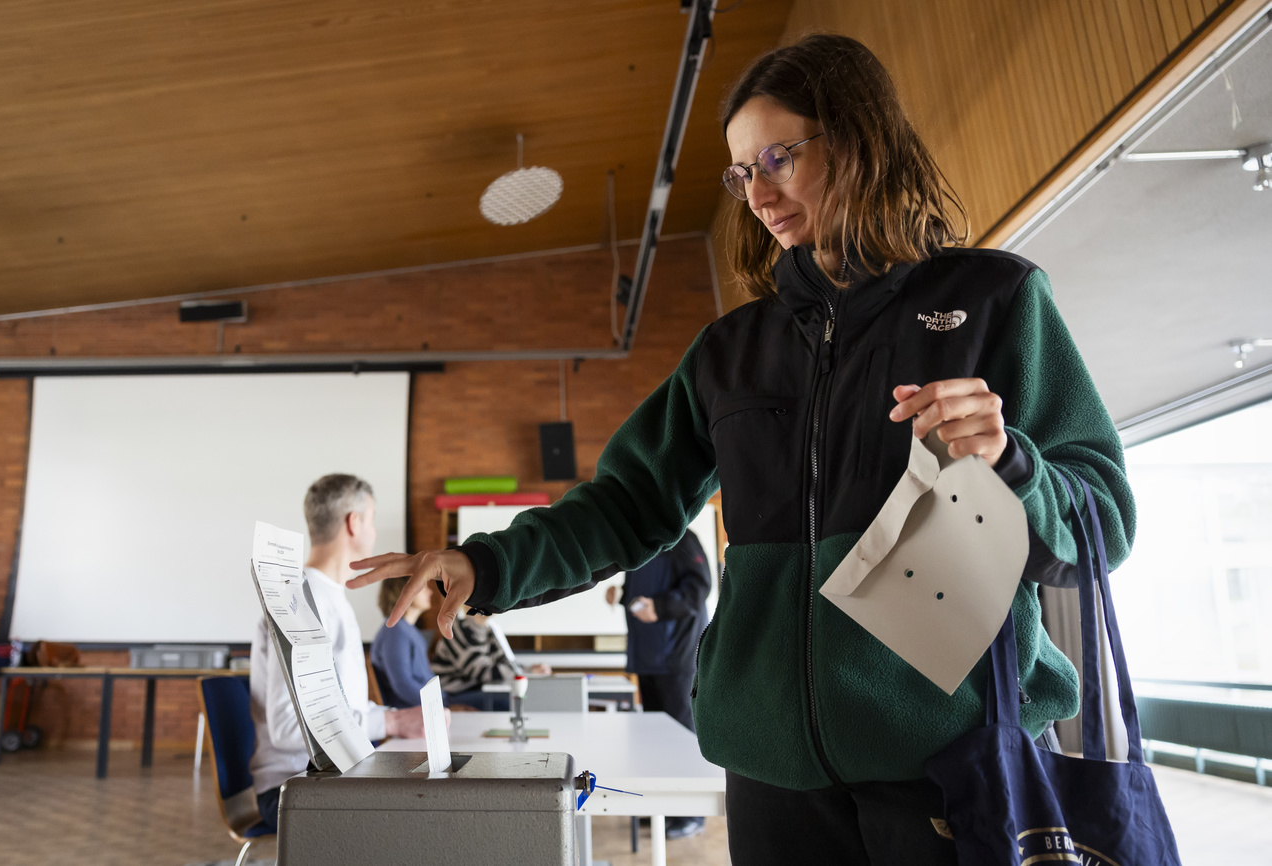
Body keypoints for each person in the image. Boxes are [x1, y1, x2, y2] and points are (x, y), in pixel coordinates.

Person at [350, 34, 1134, 865]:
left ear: (861, 142)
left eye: (777, 159)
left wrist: (1013, 462)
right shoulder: (730, 351)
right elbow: (628, 503)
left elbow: (1102, 521)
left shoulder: (994, 298)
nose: (756, 193)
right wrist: (491, 566)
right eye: (740, 173)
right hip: (773, 775)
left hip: (951, 762)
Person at [249, 474, 435, 831]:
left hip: (334, 774)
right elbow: (290, 728)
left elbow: (344, 710)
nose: (375, 531)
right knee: (426, 817)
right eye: (373, 518)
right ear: (354, 522)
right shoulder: (299, 601)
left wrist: (397, 716)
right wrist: (392, 722)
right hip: (294, 787)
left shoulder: (332, 598)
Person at [606, 528, 711, 839]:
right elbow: (643, 596)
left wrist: (661, 607)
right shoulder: (640, 542)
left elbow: (699, 589)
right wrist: (621, 595)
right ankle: (663, 808)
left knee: (680, 737)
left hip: (676, 656)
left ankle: (691, 815)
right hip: (647, 655)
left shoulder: (683, 538)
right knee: (653, 741)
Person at [370, 576, 446, 708]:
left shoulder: (406, 630)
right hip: (417, 709)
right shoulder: (395, 631)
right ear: (405, 591)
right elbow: (403, 684)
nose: (430, 592)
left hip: (432, 702)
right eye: (424, 587)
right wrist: (441, 704)